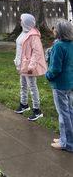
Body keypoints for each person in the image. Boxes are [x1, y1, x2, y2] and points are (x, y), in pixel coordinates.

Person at [45, 20, 73, 151]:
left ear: (60, 31)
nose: (53, 30)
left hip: (60, 84)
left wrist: (47, 75)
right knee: (69, 111)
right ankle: (67, 138)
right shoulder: (71, 44)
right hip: (70, 83)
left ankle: (66, 142)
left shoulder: (58, 46)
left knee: (63, 113)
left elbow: (55, 68)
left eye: (55, 28)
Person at [14, 13, 47, 121]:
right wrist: (17, 61)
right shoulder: (23, 32)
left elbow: (37, 52)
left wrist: (31, 66)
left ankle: (37, 110)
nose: (20, 21)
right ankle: (24, 105)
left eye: (21, 20)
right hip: (22, 65)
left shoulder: (33, 35)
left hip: (29, 66)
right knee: (23, 85)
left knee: (32, 86)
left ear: (26, 22)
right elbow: (20, 49)